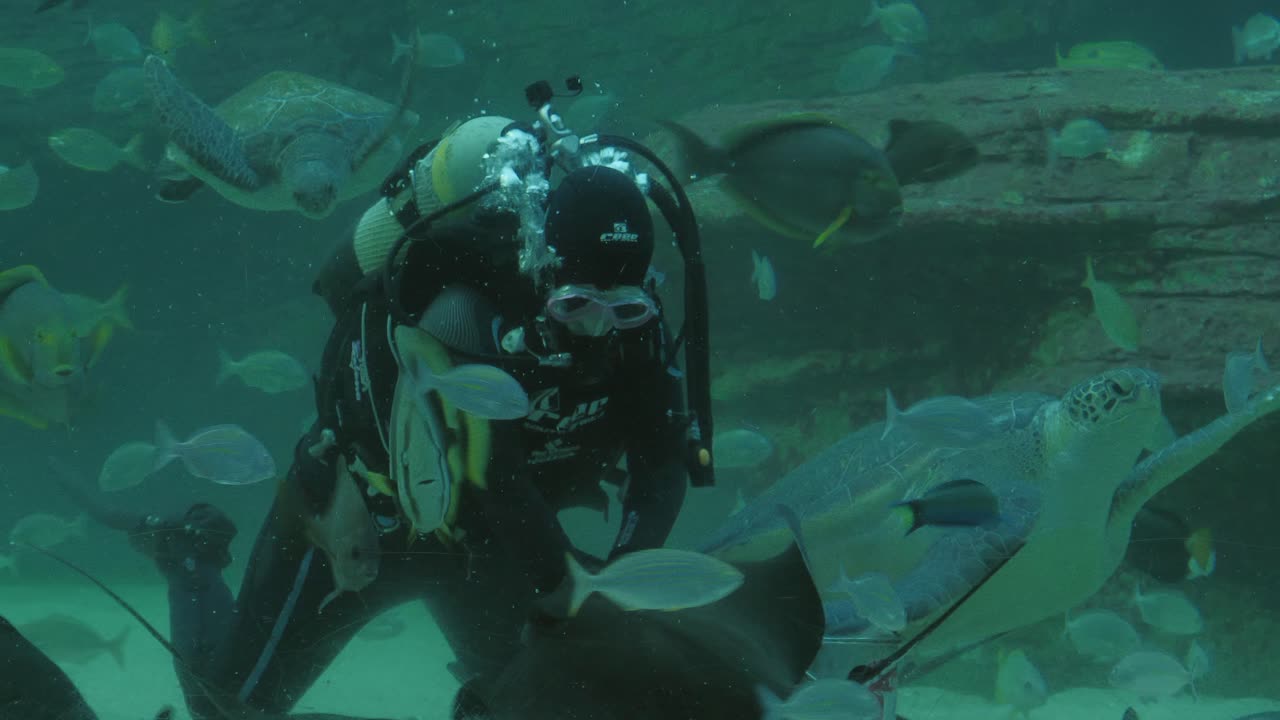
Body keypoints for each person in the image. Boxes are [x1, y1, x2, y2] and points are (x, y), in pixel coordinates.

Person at [116, 109, 717, 719]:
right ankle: (190, 556)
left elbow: (661, 464)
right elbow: (495, 477)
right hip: (364, 519)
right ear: (544, 266)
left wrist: (622, 578)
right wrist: (574, 589)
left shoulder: (638, 333)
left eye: (625, 308)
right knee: (226, 708)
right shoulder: (468, 311)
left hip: (491, 547)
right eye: (577, 303)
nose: (598, 328)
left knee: (534, 702)